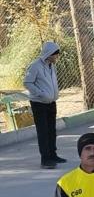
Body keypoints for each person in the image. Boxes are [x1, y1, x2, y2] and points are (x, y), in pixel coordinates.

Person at [23, 41, 63, 169]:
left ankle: (53, 155)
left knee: (52, 130)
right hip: (39, 103)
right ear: (49, 54)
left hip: (51, 102)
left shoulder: (52, 66)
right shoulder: (35, 66)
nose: (57, 56)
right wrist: (40, 94)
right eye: (56, 54)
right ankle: (45, 159)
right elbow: (27, 82)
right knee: (43, 131)